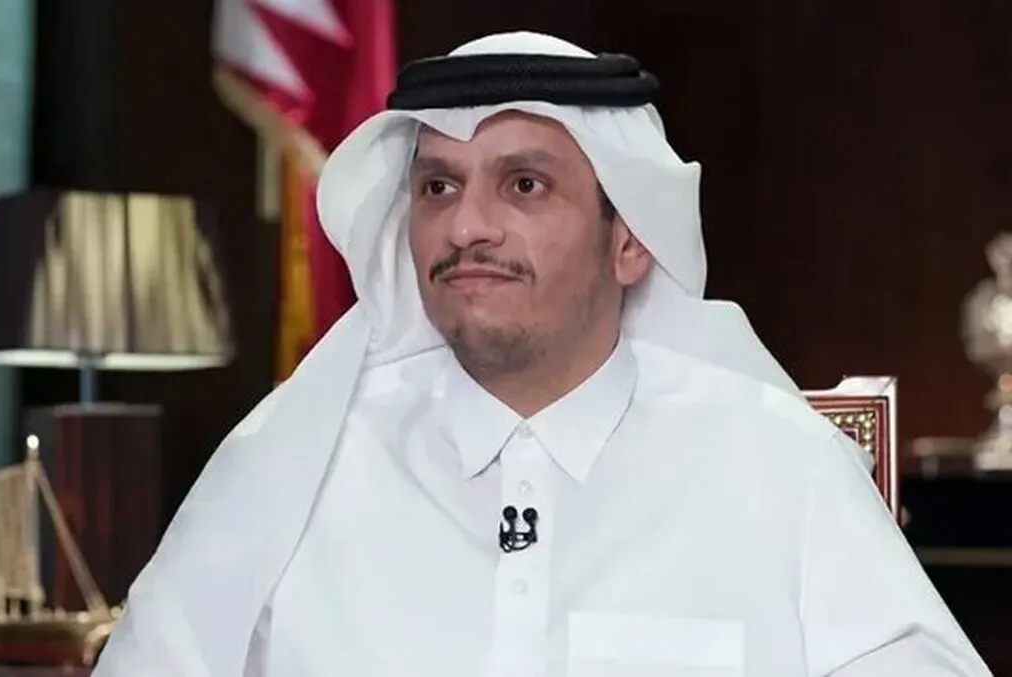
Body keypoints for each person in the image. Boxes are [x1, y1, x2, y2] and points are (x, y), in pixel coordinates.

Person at [92, 32, 990, 677]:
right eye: (437, 187)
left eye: (524, 184)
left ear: (629, 240)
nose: (467, 225)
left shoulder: (778, 465)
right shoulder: (291, 465)